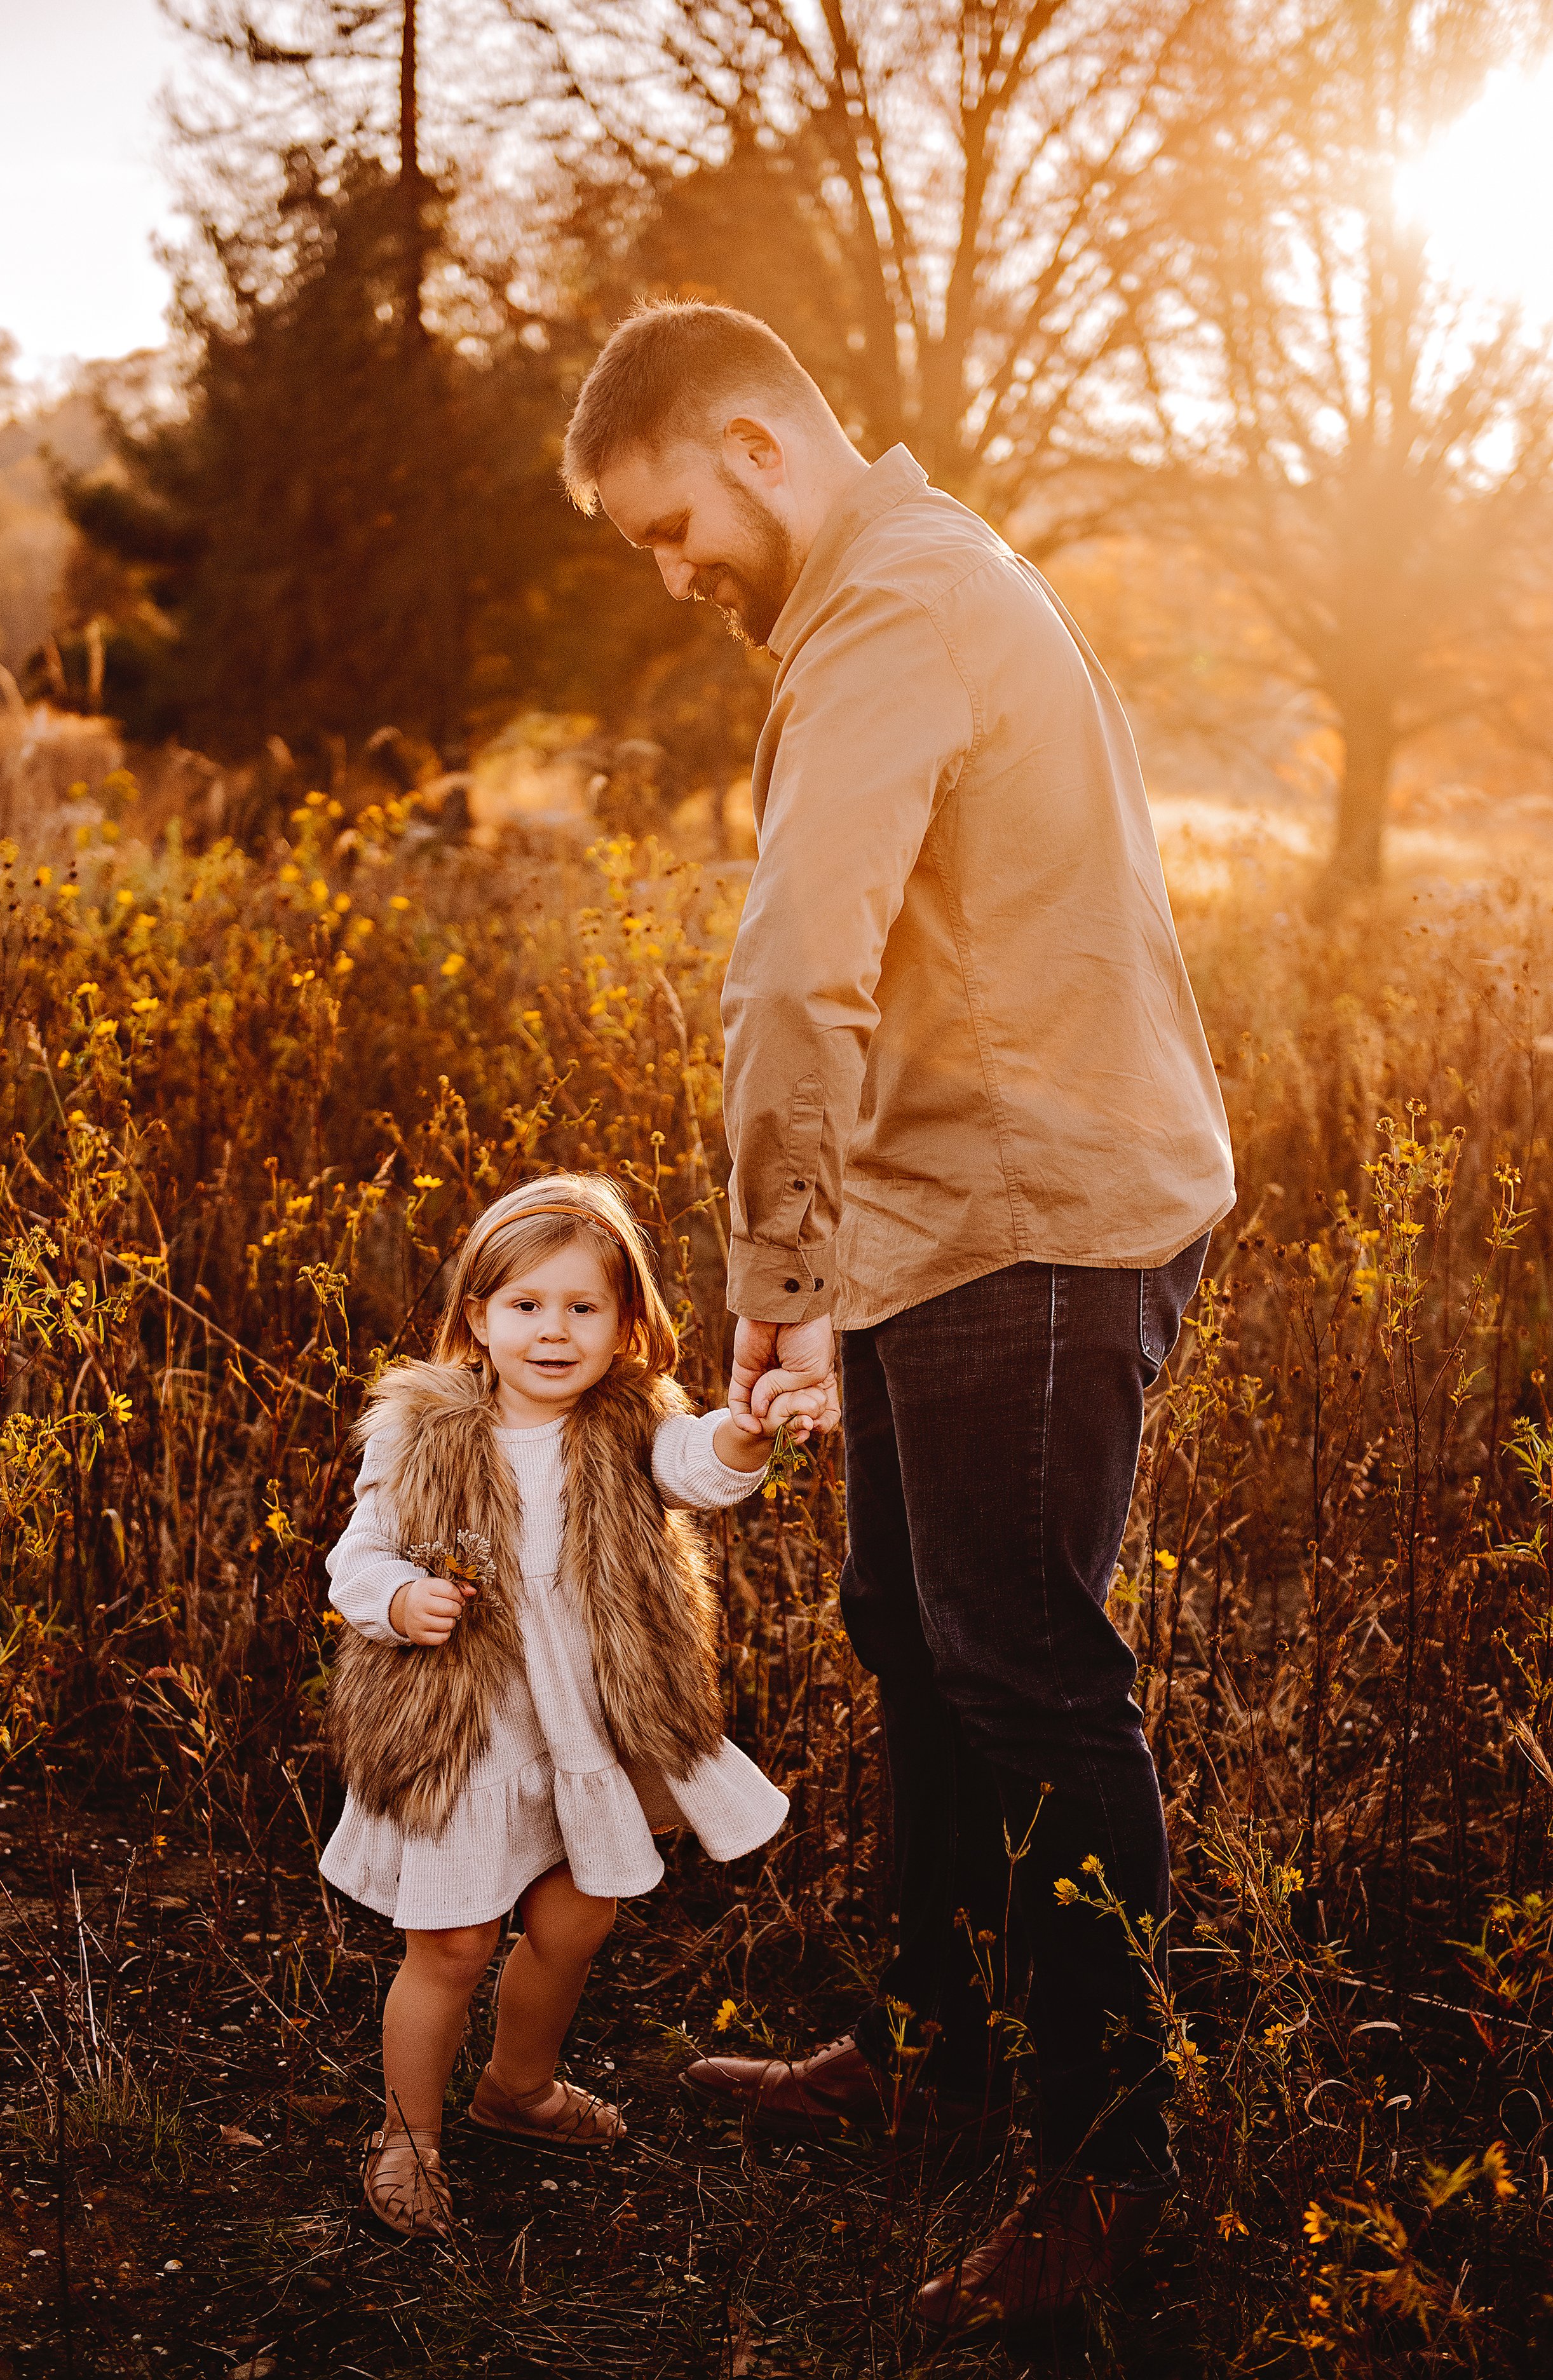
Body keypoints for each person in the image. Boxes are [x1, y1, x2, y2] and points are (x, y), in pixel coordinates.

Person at [561, 302, 1235, 2336]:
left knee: (1025, 1678)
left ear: (758, 445)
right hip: (948, 1210)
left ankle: (1108, 2175)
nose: (672, 572)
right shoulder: (920, 577)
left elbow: (791, 982)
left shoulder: (891, 614)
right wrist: (828, 1264)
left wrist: (767, 1277)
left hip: (1030, 1223)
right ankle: (927, 2048)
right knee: (910, 1639)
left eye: (671, 522)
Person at [320, 1173, 820, 2238]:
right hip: (468, 1729)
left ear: (625, 1322)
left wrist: (745, 1428)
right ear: (477, 1320)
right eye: (527, 1306)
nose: (555, 1332)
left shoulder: (630, 1421)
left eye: (584, 1308)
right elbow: (354, 1556)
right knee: (450, 1944)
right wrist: (398, 1598)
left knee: (575, 1918)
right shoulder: (423, 1433)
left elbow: (704, 1468)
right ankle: (407, 2135)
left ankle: (519, 2087)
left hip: (586, 1723)